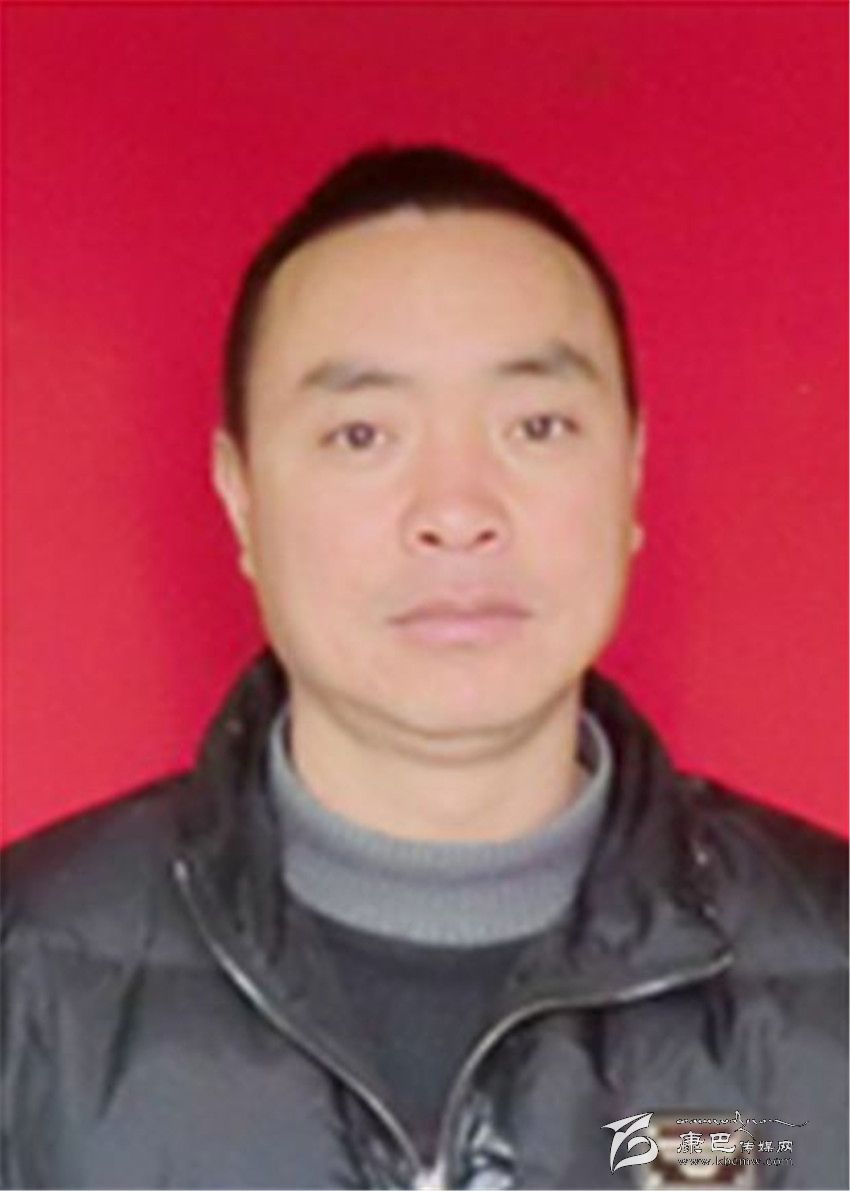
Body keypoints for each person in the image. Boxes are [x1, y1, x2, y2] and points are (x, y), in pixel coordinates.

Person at [1, 145, 846, 1191]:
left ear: (629, 474)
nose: (456, 510)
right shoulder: (25, 980)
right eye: (362, 434)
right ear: (240, 498)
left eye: (537, 426)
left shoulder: (828, 990)